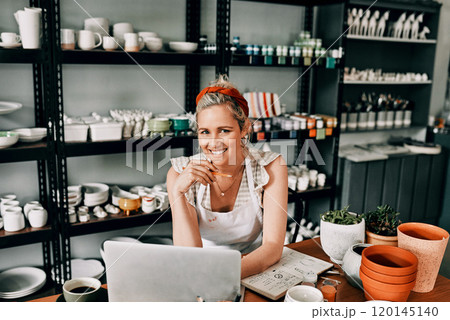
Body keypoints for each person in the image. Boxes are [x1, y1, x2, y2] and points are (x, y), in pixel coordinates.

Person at [167, 75, 288, 279]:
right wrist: (178, 191)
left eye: (224, 130)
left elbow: (273, 247)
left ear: (244, 129)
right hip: (201, 268)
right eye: (205, 132)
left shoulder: (271, 167)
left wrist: (225, 274)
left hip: (255, 265)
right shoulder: (180, 173)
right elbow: (188, 254)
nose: (213, 142)